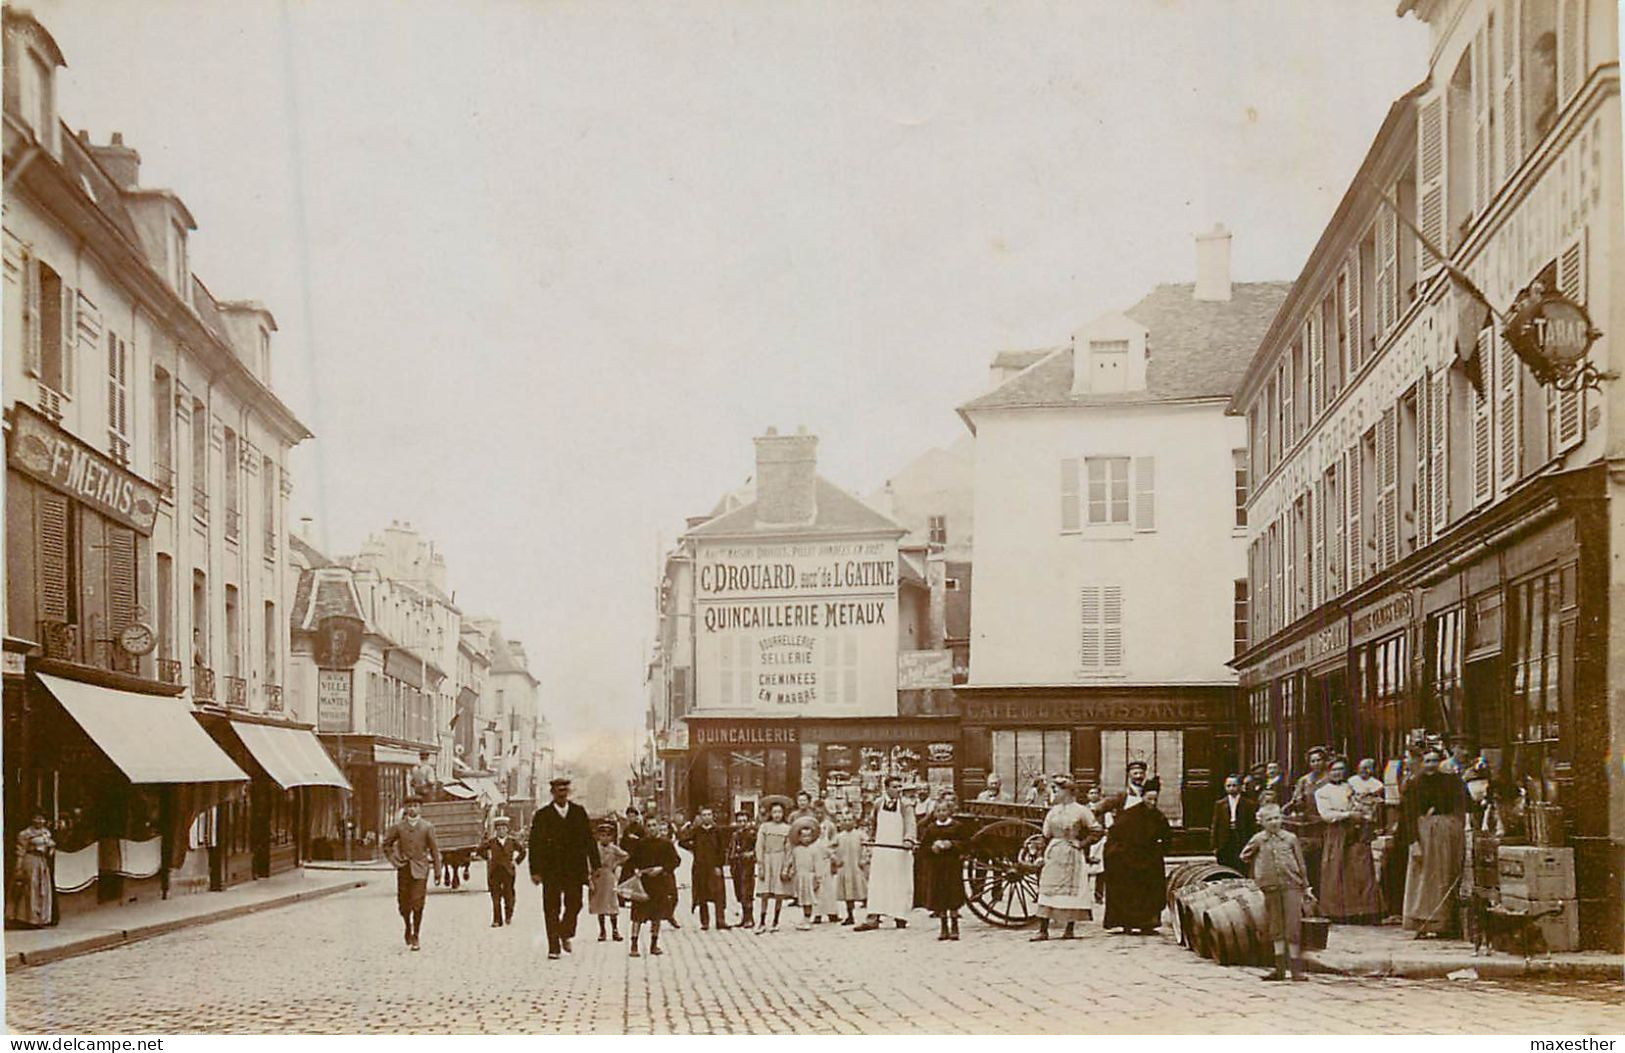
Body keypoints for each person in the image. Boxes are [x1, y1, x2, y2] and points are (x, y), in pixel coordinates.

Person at [527, 776, 599, 961]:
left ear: (569, 792)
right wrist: (535, 870)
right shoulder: (543, 815)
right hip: (551, 869)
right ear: (553, 793)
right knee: (551, 907)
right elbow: (534, 844)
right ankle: (553, 947)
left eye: (565, 790)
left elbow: (589, 839)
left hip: (574, 869)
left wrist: (595, 864)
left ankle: (565, 932)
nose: (562, 793)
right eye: (559, 790)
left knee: (575, 904)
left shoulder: (578, 812)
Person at [1400, 748, 1468, 938]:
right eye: (1427, 761)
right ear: (1422, 763)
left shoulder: (1451, 781)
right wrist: (1413, 842)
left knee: (1444, 876)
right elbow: (1408, 815)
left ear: (1440, 762)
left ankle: (1443, 923)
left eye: (1434, 761)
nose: (1431, 765)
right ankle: (1421, 922)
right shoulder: (1414, 784)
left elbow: (1463, 804)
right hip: (1423, 834)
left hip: (1446, 834)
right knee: (1422, 878)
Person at [1241, 802, 1311, 982]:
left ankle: (1295, 969)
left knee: (1293, 926)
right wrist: (1259, 872)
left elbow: (1301, 862)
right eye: (1269, 819)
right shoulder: (1258, 839)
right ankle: (1279, 969)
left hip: (1292, 885)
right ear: (1261, 822)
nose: (1274, 822)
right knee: (1276, 926)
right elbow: (1244, 856)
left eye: (1277, 818)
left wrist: (1306, 885)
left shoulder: (1290, 838)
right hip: (1270, 887)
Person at [1032, 776, 1102, 941]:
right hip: (1054, 853)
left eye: (1057, 790)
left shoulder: (1081, 810)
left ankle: (1069, 929)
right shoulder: (1053, 811)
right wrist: (1040, 854)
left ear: (1068, 792)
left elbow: (1097, 830)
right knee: (1047, 889)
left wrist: (1082, 843)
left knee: (1071, 891)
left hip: (1072, 854)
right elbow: (1044, 835)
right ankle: (1043, 930)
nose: (1053, 793)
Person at [1314, 758, 1382, 924]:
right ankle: (1337, 911)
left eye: (1341, 769)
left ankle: (1363, 910)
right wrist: (1347, 814)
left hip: (1355, 831)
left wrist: (1363, 810)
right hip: (1336, 831)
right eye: (1334, 770)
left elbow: (1361, 805)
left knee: (1359, 868)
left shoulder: (1350, 788)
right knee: (1336, 869)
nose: (1338, 773)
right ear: (1328, 772)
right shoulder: (1323, 791)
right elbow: (1326, 815)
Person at [1102, 779, 1171, 935]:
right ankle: (1127, 923)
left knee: (1150, 891)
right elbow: (1115, 834)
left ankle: (1148, 923)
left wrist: (1161, 850)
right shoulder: (1130, 815)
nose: (1152, 803)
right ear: (1143, 797)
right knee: (1130, 891)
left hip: (1150, 859)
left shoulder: (1158, 816)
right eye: (1149, 799)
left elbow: (1167, 837)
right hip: (1129, 859)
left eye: (1155, 799)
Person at [854, 775, 917, 931]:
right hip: (881, 849)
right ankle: (873, 917)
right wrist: (871, 839)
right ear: (886, 788)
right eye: (894, 787)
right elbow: (873, 824)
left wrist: (909, 839)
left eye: (899, 786)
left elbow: (910, 824)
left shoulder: (905, 805)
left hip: (898, 850)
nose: (898, 789)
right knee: (878, 882)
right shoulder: (878, 804)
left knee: (898, 881)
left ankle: (899, 916)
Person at [381, 796, 441, 951]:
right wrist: (395, 860)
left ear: (420, 808)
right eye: (409, 806)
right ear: (405, 809)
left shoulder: (427, 827)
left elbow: (434, 850)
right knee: (403, 904)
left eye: (415, 806)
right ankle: (407, 925)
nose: (412, 809)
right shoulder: (399, 827)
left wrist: (438, 872)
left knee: (418, 903)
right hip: (404, 869)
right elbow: (386, 844)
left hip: (421, 869)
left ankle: (416, 934)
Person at [917, 795, 971, 941]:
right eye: (938, 810)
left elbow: (966, 844)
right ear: (935, 813)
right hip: (937, 867)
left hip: (952, 866)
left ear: (949, 812)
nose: (941, 813)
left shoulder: (957, 826)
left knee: (952, 896)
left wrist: (952, 844)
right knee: (940, 896)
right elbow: (923, 848)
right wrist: (932, 847)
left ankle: (954, 927)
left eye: (944, 810)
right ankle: (943, 927)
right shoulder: (931, 828)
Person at [627, 816, 679, 957]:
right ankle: (634, 945)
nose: (651, 828)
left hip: (659, 884)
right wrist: (636, 870)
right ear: (645, 828)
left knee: (656, 916)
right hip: (643, 884)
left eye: (654, 825)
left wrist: (662, 868)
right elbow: (632, 861)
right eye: (648, 825)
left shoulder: (666, 844)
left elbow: (675, 861)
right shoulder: (640, 844)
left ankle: (654, 944)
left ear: (658, 827)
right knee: (637, 916)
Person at [1286, 747, 1331, 891]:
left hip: (1326, 822)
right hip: (1308, 825)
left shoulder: (1330, 779)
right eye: (1313, 761)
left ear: (1324, 761)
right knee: (1309, 858)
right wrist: (1297, 802)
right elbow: (1295, 801)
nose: (1316, 763)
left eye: (1319, 760)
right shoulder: (1304, 780)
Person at [678, 806, 730, 931]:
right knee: (702, 895)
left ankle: (720, 920)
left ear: (712, 816)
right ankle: (705, 921)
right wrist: (691, 843)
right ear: (701, 817)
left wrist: (719, 866)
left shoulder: (717, 831)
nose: (707, 817)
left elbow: (722, 850)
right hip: (700, 867)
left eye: (709, 814)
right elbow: (682, 842)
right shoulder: (697, 831)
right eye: (704, 815)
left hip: (714, 867)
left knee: (718, 894)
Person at [785, 819, 835, 930]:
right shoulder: (796, 850)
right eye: (803, 836)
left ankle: (808, 920)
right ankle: (805, 917)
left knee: (808, 899)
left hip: (809, 876)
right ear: (799, 837)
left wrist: (818, 878)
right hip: (800, 877)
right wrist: (790, 871)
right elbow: (793, 862)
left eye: (808, 836)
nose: (806, 839)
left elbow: (818, 864)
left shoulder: (814, 850)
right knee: (802, 899)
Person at [478, 814, 526, 928]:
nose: (501, 831)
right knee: (495, 897)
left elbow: (523, 851)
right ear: (496, 831)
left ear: (507, 830)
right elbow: (479, 850)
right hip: (495, 872)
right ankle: (497, 920)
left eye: (503, 829)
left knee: (509, 895)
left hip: (508, 872)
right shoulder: (492, 842)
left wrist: (516, 861)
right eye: (499, 829)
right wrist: (488, 858)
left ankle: (508, 915)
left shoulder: (512, 841)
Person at [8, 813, 54, 928]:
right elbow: (20, 851)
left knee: (42, 888)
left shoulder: (46, 832)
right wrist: (18, 867)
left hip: (42, 861)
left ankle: (41, 918)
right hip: (30, 861)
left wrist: (50, 848)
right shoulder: (25, 834)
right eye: (37, 818)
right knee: (30, 888)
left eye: (42, 818)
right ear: (31, 819)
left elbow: (50, 848)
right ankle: (28, 919)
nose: (40, 821)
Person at [754, 800, 793, 932]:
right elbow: (759, 846)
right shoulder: (765, 827)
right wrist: (760, 865)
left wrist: (786, 867)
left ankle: (776, 920)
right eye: (774, 812)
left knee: (779, 893)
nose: (777, 815)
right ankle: (762, 921)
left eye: (780, 812)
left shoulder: (787, 829)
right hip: (767, 859)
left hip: (780, 859)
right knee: (764, 893)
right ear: (770, 813)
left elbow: (789, 849)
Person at [587, 821, 627, 942]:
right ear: (598, 836)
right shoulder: (594, 848)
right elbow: (588, 862)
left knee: (611, 903)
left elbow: (625, 855)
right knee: (600, 904)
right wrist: (589, 878)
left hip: (609, 876)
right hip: (597, 876)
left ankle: (615, 930)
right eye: (602, 835)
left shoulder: (613, 848)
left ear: (611, 837)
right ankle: (602, 931)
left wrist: (615, 864)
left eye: (608, 835)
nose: (605, 838)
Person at [1210, 774, 1258, 873]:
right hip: (1225, 839)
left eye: (1234, 785)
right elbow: (1216, 824)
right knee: (1225, 865)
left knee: (1241, 865)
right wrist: (1214, 845)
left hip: (1241, 838)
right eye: (1228, 786)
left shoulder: (1248, 804)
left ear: (1240, 787)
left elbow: (1252, 825)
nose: (1231, 788)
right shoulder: (1220, 804)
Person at [831, 813, 869, 925]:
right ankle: (850, 915)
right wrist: (836, 859)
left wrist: (864, 859)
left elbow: (867, 848)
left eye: (849, 820)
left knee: (863, 889)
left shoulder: (860, 835)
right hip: (844, 867)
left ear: (854, 821)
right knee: (848, 892)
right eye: (845, 820)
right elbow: (830, 849)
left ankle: (873, 915)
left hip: (857, 867)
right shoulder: (839, 836)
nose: (847, 822)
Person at [727, 809, 758, 928]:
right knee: (739, 892)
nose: (742, 823)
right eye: (740, 821)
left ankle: (750, 918)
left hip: (748, 866)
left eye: (744, 821)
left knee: (747, 892)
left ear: (749, 822)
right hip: (737, 865)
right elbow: (731, 849)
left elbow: (758, 849)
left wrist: (751, 854)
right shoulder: (735, 835)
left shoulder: (752, 834)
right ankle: (744, 918)